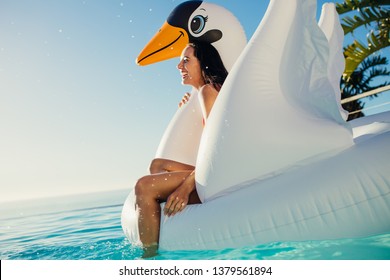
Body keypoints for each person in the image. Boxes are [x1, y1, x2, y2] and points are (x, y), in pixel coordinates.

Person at [134, 41, 228, 257]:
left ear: (203, 64)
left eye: (186, 60)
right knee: (158, 165)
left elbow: (216, 149)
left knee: (144, 187)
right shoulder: (208, 91)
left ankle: (149, 259)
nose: (179, 67)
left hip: (220, 174)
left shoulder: (207, 92)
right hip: (217, 166)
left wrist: (185, 188)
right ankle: (163, 201)